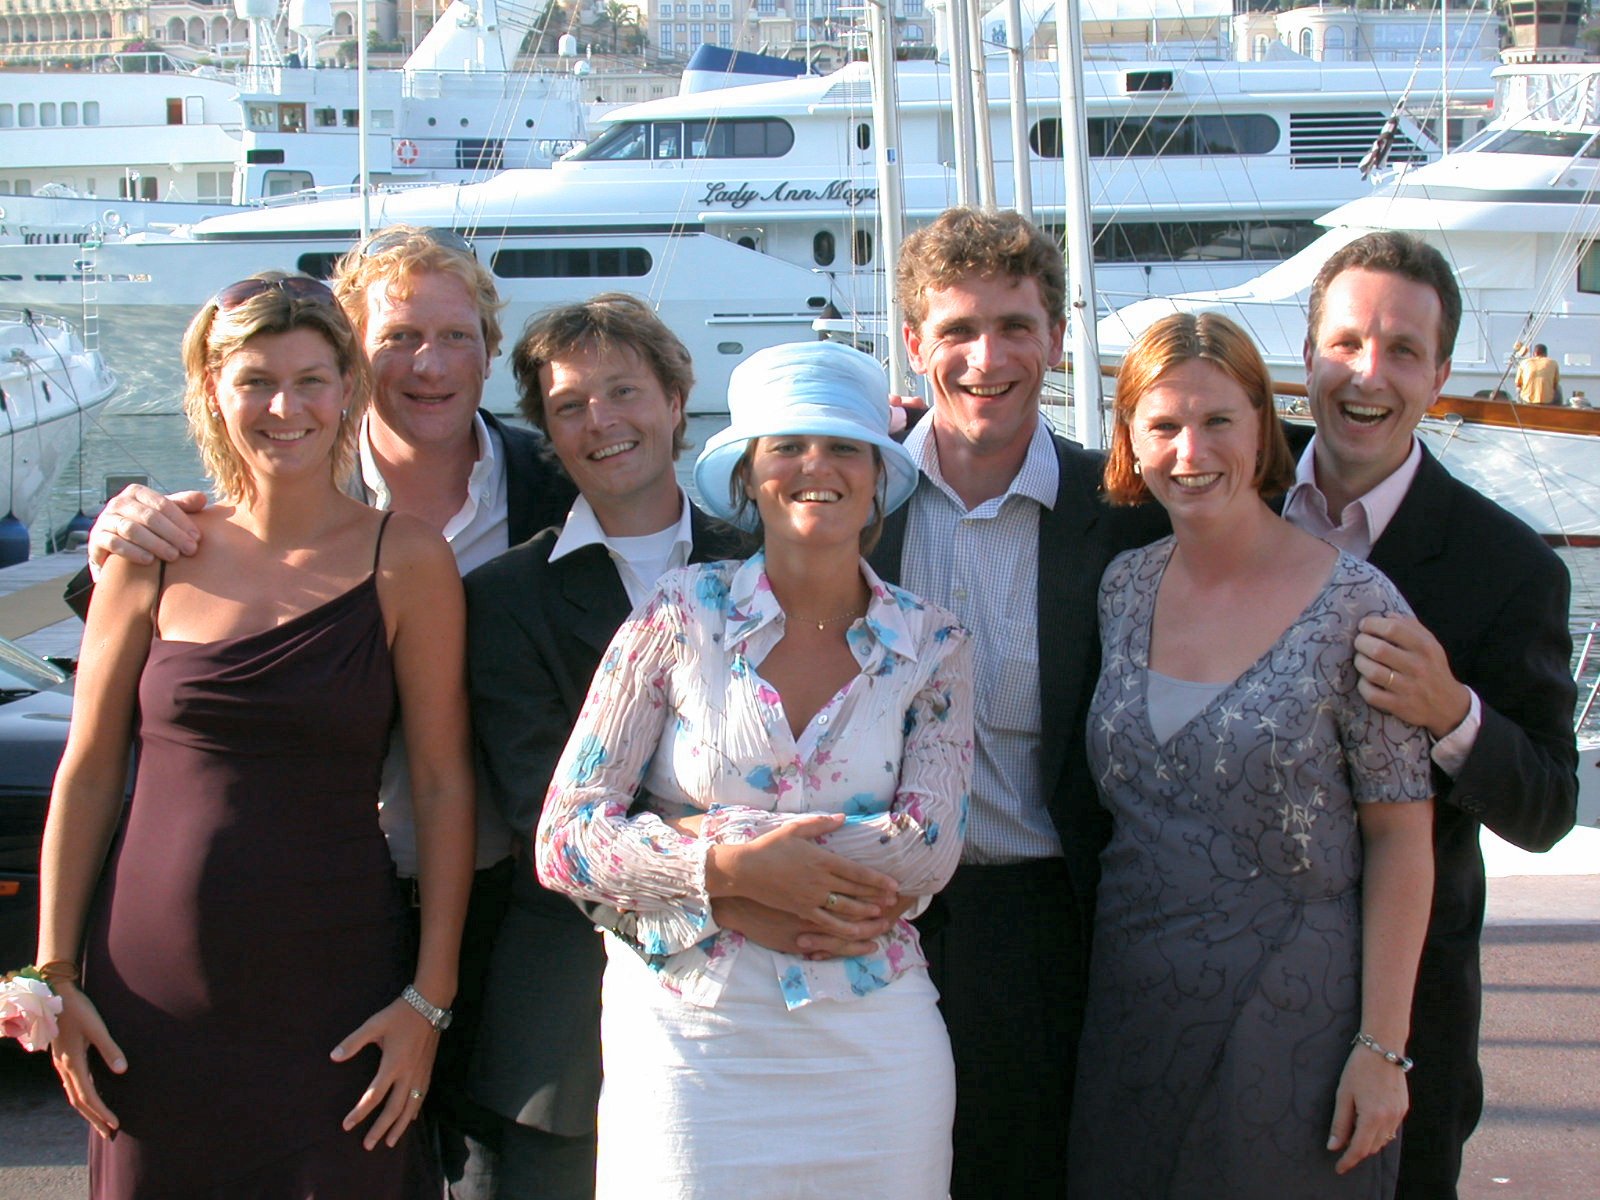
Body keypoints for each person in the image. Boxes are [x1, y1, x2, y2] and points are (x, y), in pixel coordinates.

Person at [64, 225, 579, 1199]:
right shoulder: (211, 513)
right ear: (357, 358)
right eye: (399, 338)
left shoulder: (557, 487)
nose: (429, 364)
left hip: (488, 903)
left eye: (455, 336)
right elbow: (111, 737)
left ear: (488, 347)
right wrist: (112, 543)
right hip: (232, 929)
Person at [464, 297, 927, 1198]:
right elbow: (541, 808)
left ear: (677, 402)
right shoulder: (504, 598)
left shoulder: (791, 544)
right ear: (546, 434)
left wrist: (794, 889)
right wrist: (739, 882)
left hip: (815, 1003)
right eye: (569, 406)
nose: (601, 420)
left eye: (624, 391)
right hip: (571, 1031)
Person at [1069, 311, 1437, 1198]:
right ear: (1130, 440)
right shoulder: (1124, 588)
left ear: (1262, 428)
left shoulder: (1357, 605)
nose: (1191, 451)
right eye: (1164, 425)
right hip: (1134, 1010)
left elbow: (1401, 838)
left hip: (1295, 1017)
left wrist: (1383, 1049)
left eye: (1218, 420)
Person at [874, 205, 1167, 1197]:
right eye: (956, 329)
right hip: (868, 917)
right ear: (914, 343)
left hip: (1041, 928)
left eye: (1013, 326)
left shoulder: (1123, 517)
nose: (986, 357)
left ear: (1056, 337)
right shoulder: (855, 497)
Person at [1289, 231, 1578, 1199]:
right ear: (1308, 355)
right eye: (1346, 343)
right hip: (1219, 985)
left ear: (1440, 375)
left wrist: (1452, 713)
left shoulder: (1508, 568)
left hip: (1406, 1020)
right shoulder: (1224, 484)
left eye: (1403, 350)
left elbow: (1546, 807)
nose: (1368, 374)